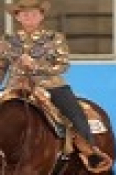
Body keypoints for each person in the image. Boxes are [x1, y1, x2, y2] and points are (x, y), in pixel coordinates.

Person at [0, 0, 100, 156]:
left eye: (33, 14)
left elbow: (62, 64)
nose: (29, 18)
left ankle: (89, 151)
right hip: (15, 87)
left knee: (75, 114)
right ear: (17, 17)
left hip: (50, 86)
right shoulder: (7, 41)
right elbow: (1, 67)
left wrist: (36, 67)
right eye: (24, 14)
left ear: (41, 16)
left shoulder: (54, 38)